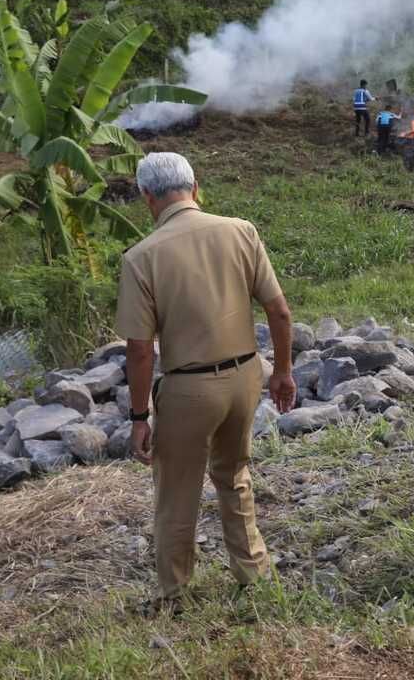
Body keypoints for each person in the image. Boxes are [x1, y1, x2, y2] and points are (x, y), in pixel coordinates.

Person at [115, 152, 298, 615]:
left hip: (188, 388)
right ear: (195, 187)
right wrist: (282, 371)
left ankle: (173, 594)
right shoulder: (241, 230)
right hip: (244, 377)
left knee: (177, 492)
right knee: (234, 475)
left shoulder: (141, 258)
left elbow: (139, 350)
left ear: (147, 198)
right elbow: (279, 311)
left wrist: (139, 418)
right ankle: (254, 573)